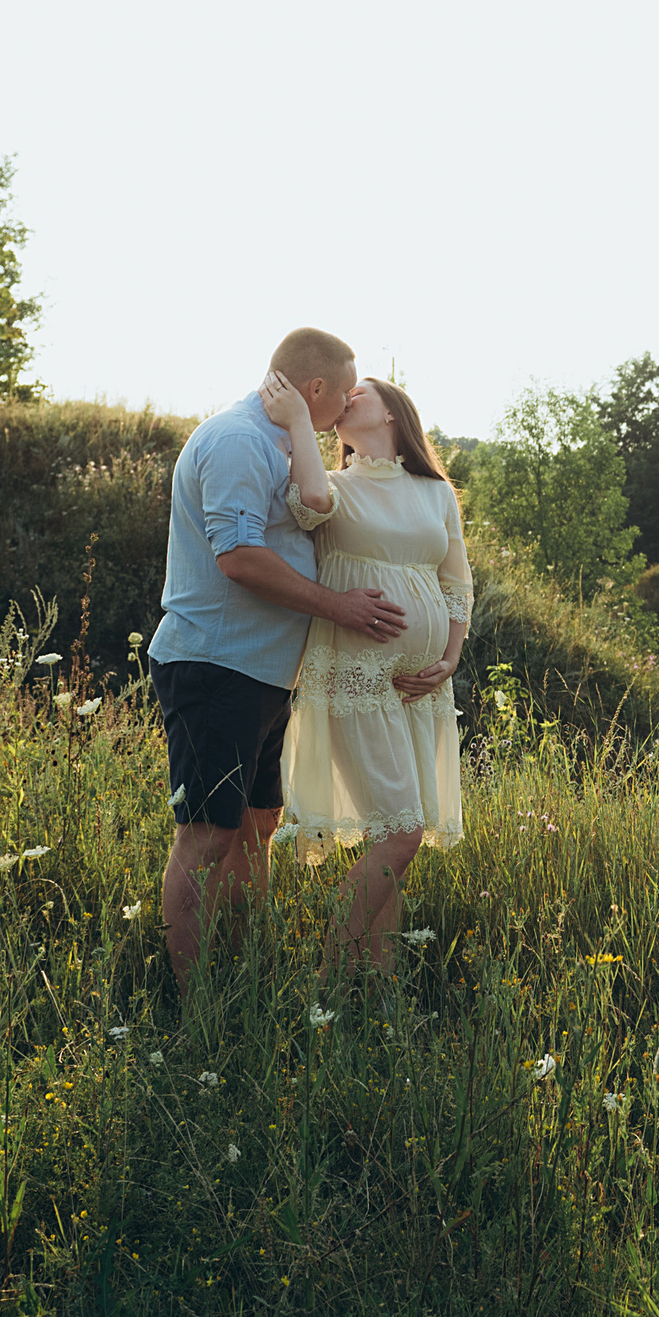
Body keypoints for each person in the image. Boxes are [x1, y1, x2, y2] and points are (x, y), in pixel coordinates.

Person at [147, 327, 409, 992]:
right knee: (206, 835)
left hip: (263, 672)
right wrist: (337, 607)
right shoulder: (238, 442)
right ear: (314, 388)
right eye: (343, 393)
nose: (346, 408)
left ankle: (243, 969)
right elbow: (237, 559)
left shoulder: (282, 443)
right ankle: (194, 1002)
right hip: (216, 667)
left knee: (256, 827)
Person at [257, 369, 467, 981]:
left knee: (389, 840)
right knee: (401, 834)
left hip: (421, 684)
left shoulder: (436, 493)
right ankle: (324, 984)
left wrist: (448, 659)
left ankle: (375, 995)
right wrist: (301, 421)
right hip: (356, 673)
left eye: (359, 394)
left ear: (394, 414)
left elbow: (456, 583)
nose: (345, 400)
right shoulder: (335, 486)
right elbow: (312, 503)